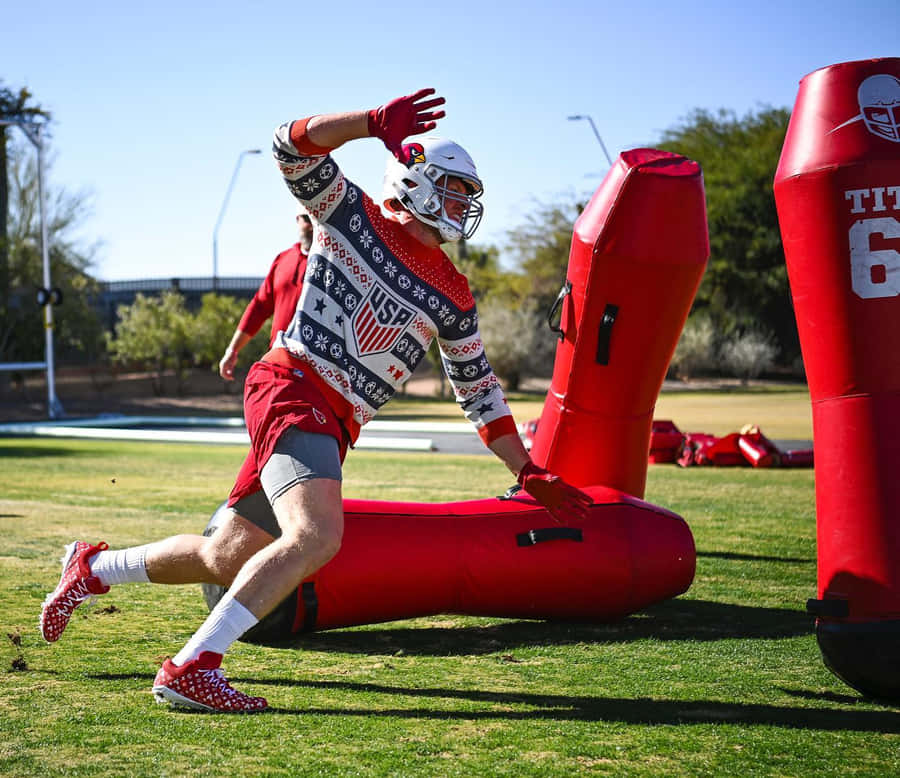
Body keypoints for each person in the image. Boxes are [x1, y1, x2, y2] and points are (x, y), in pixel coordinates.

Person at [39, 88, 593, 714]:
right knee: (318, 534)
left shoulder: (454, 294)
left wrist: (526, 469)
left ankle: (93, 568)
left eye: (470, 194)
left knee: (226, 555)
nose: (466, 206)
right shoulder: (352, 216)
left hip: (329, 420)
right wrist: (371, 123)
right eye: (457, 189)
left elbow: (480, 394)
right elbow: (288, 145)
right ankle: (191, 665)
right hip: (293, 386)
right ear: (415, 181)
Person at [218, 207, 314, 382]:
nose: (311, 225)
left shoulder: (335, 261)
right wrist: (232, 350)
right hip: (281, 364)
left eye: (315, 218)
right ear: (297, 219)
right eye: (306, 218)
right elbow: (259, 307)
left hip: (318, 369)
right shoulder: (283, 259)